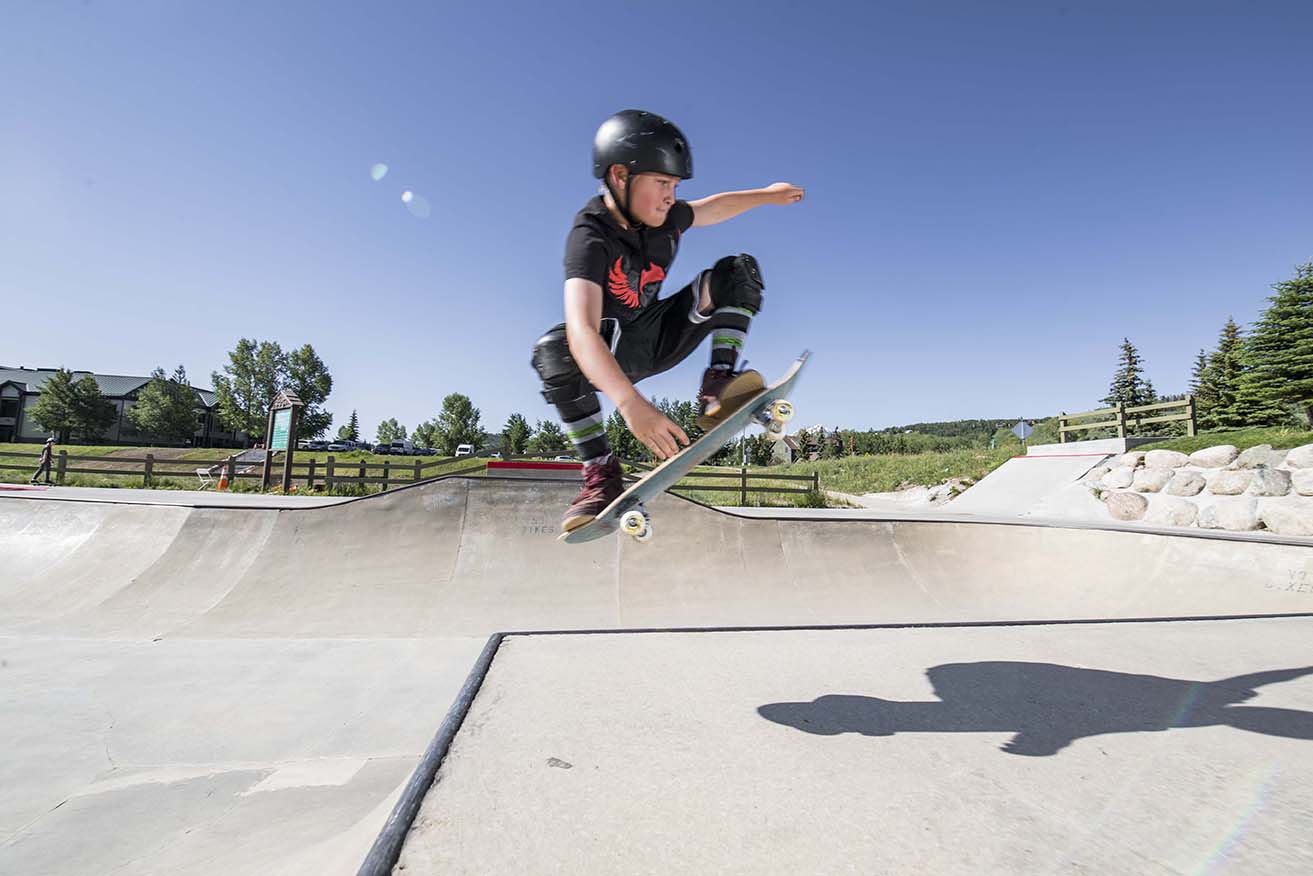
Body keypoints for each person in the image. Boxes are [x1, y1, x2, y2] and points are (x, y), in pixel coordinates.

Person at [532, 109, 804, 533]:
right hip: (610, 353)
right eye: (661, 183)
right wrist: (629, 403)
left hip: (660, 336)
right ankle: (600, 474)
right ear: (620, 176)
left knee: (737, 272)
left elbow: (714, 207)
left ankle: (718, 388)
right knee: (553, 350)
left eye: (674, 186)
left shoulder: (669, 218)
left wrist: (767, 195)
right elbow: (581, 330)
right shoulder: (589, 236)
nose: (669, 197)